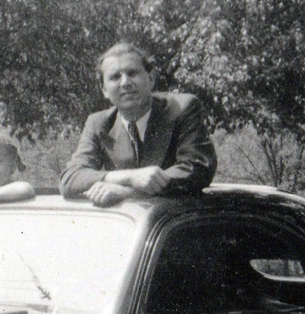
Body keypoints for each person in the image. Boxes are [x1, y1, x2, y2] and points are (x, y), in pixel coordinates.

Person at [59, 42, 217, 206]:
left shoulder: (182, 108)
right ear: (104, 90)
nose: (125, 82)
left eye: (132, 73)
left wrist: (129, 192)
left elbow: (197, 169)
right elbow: (70, 178)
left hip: (177, 222)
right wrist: (129, 177)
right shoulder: (98, 123)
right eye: (115, 77)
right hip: (131, 225)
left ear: (151, 78)